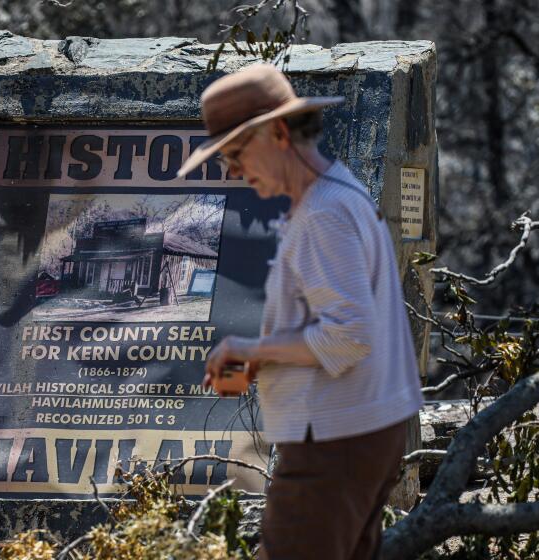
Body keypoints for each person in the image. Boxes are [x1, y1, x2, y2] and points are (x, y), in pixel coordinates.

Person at [176, 64, 424, 560]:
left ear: (278, 132)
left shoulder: (323, 213)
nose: (231, 170)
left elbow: (349, 336)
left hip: (333, 442)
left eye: (235, 153)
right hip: (359, 432)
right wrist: (263, 361)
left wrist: (251, 348)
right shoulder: (337, 194)